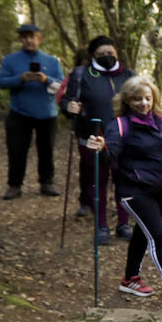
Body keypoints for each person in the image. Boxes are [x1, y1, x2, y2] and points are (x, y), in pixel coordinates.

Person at [85, 75, 162, 310]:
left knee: (144, 232)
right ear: (127, 101)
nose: (143, 103)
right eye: (137, 99)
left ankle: (130, 279)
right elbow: (109, 156)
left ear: (153, 98)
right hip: (135, 190)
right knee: (158, 236)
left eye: (147, 98)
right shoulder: (120, 125)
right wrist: (100, 148)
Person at [63, 36, 136, 245]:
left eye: (110, 53)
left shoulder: (128, 75)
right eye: (101, 54)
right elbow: (68, 100)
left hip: (124, 137)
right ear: (93, 55)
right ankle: (101, 226)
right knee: (98, 181)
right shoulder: (82, 74)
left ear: (117, 54)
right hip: (92, 135)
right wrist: (69, 108)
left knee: (123, 181)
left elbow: (141, 98)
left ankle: (123, 224)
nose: (107, 57)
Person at [0, 22, 63, 200]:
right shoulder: (10, 60)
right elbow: (2, 82)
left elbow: (61, 87)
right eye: (24, 37)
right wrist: (21, 78)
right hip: (19, 113)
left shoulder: (52, 61)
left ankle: (46, 183)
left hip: (46, 114)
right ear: (20, 39)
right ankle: (14, 185)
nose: (28, 40)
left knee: (46, 150)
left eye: (31, 36)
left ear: (39, 39)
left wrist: (45, 79)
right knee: (17, 150)